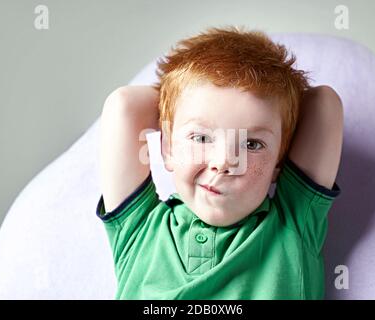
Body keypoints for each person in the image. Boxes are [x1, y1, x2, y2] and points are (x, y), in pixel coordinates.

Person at [96, 26, 343, 299]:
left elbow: (323, 104)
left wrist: (283, 98)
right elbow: (124, 105)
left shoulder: (293, 224)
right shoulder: (139, 230)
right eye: (201, 137)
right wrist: (179, 92)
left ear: (278, 164)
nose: (223, 162)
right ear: (166, 148)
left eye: (252, 144)